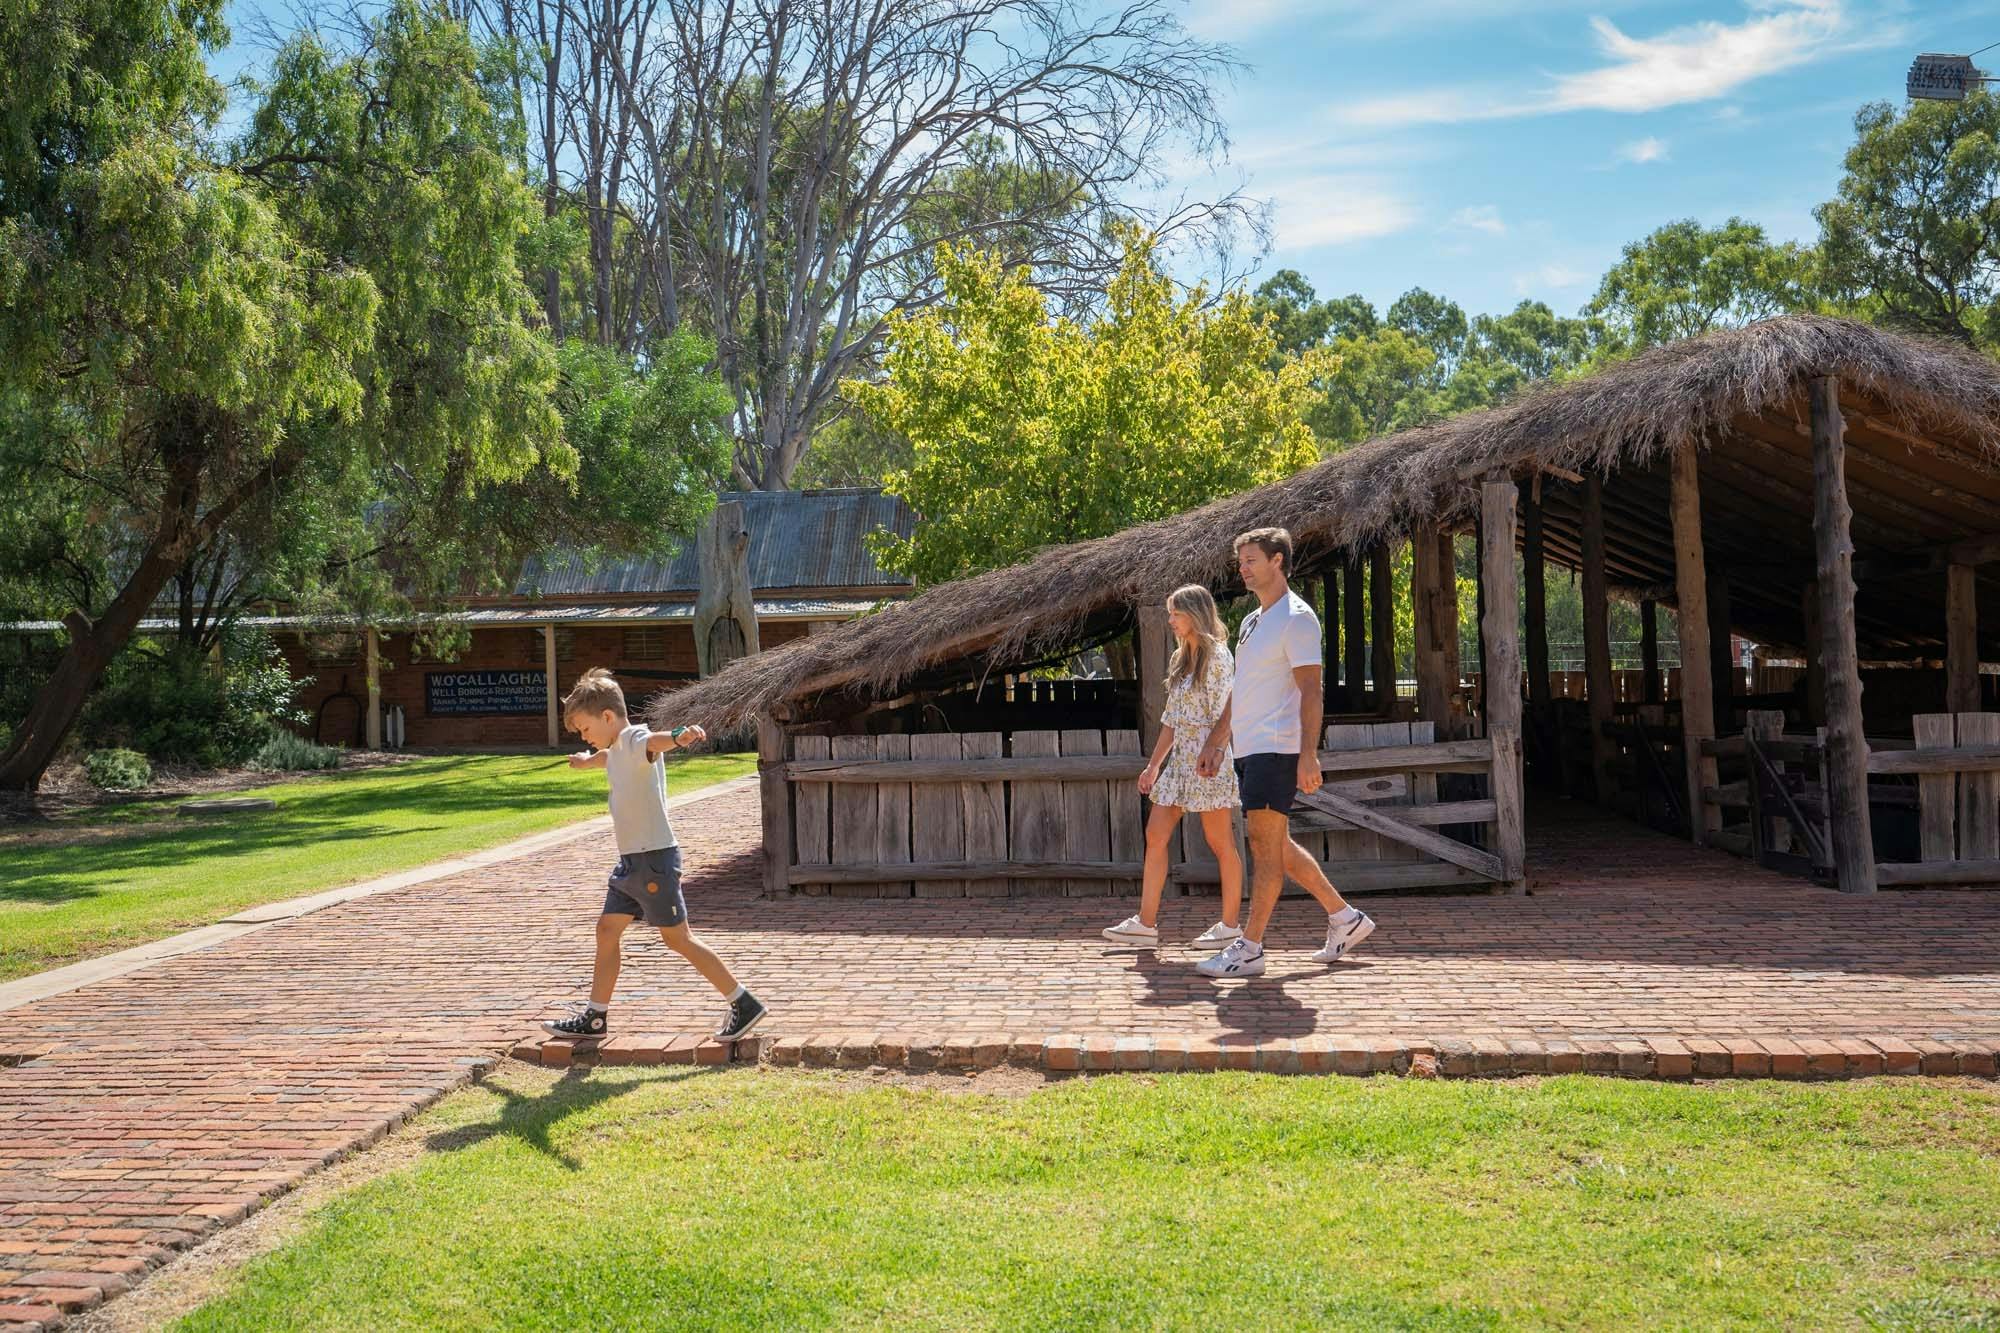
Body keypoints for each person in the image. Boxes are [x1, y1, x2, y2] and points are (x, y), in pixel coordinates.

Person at [541, 668, 766, 1043]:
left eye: (584, 729)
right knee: (607, 929)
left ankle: (743, 1002)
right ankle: (595, 1017)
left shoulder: (632, 738)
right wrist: (585, 760)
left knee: (678, 939)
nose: (585, 737)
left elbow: (654, 742)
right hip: (632, 862)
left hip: (653, 860)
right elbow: (606, 759)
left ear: (607, 717)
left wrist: (679, 736)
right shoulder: (614, 750)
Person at [1192, 528, 1375, 978]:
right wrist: (1217, 740)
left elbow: (1311, 691)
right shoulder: (1253, 621)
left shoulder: (1298, 618)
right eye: (1241, 561)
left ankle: (1250, 948)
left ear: (1278, 561)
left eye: (1251, 559)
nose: (1243, 568)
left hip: (1278, 748)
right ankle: (1345, 919)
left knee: (1265, 850)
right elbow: (1242, 689)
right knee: (1275, 844)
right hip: (1249, 749)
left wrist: (1308, 755)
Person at [1102, 585, 1246, 951]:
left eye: (1175, 614)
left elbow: (1227, 714)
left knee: (1221, 844)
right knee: (1156, 834)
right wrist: (1153, 767)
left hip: (1208, 761)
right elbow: (1171, 720)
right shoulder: (1180, 658)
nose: (1171, 621)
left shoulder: (1218, 657)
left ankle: (1230, 925)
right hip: (1179, 763)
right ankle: (1146, 923)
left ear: (1195, 614)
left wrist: (1215, 750)